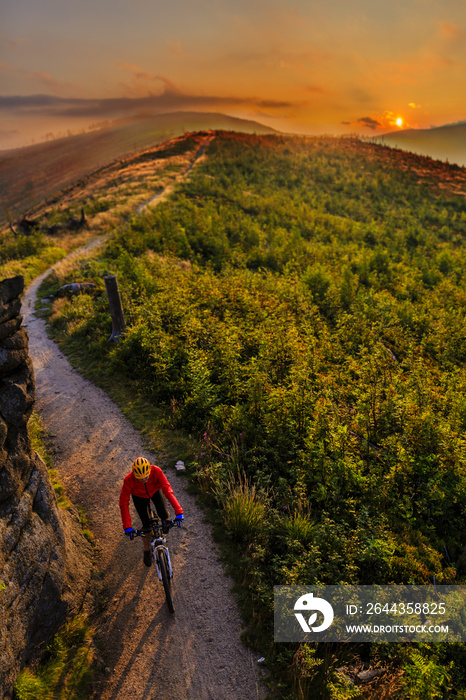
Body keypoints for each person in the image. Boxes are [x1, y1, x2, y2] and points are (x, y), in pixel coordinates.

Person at [120, 457, 184, 567]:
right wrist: (127, 526)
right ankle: (146, 550)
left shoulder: (156, 471)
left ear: (149, 471)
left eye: (146, 477)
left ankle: (165, 520)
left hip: (155, 491)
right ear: (134, 475)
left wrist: (179, 512)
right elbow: (123, 503)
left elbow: (168, 491)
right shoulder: (128, 480)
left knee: (163, 514)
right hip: (139, 496)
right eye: (140, 479)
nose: (144, 480)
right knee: (146, 526)